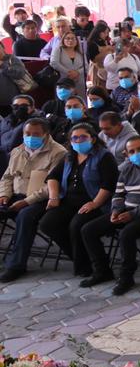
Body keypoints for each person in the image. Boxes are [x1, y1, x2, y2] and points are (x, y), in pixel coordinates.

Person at [80, 135, 140, 294]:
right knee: (88, 230)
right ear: (126, 154)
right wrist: (116, 210)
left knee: (126, 234)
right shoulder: (126, 169)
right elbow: (118, 194)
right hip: (128, 211)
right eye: (131, 151)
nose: (136, 154)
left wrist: (133, 214)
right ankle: (102, 271)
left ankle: (126, 277)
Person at [39, 124, 118, 280]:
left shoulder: (104, 156)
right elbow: (52, 177)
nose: (78, 141)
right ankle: (81, 258)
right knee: (47, 224)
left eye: (83, 137)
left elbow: (109, 185)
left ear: (93, 139)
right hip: (68, 201)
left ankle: (87, 266)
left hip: (95, 202)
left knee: (76, 225)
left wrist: (95, 203)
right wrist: (54, 197)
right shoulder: (69, 157)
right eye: (75, 138)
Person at [0, 119, 67, 282]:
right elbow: (7, 177)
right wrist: (4, 195)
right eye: (27, 134)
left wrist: (27, 202)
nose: (30, 137)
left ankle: (16, 266)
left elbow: (52, 185)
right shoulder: (18, 150)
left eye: (36, 134)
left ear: (45, 134)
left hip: (40, 199)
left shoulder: (58, 152)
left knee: (25, 217)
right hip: (15, 194)